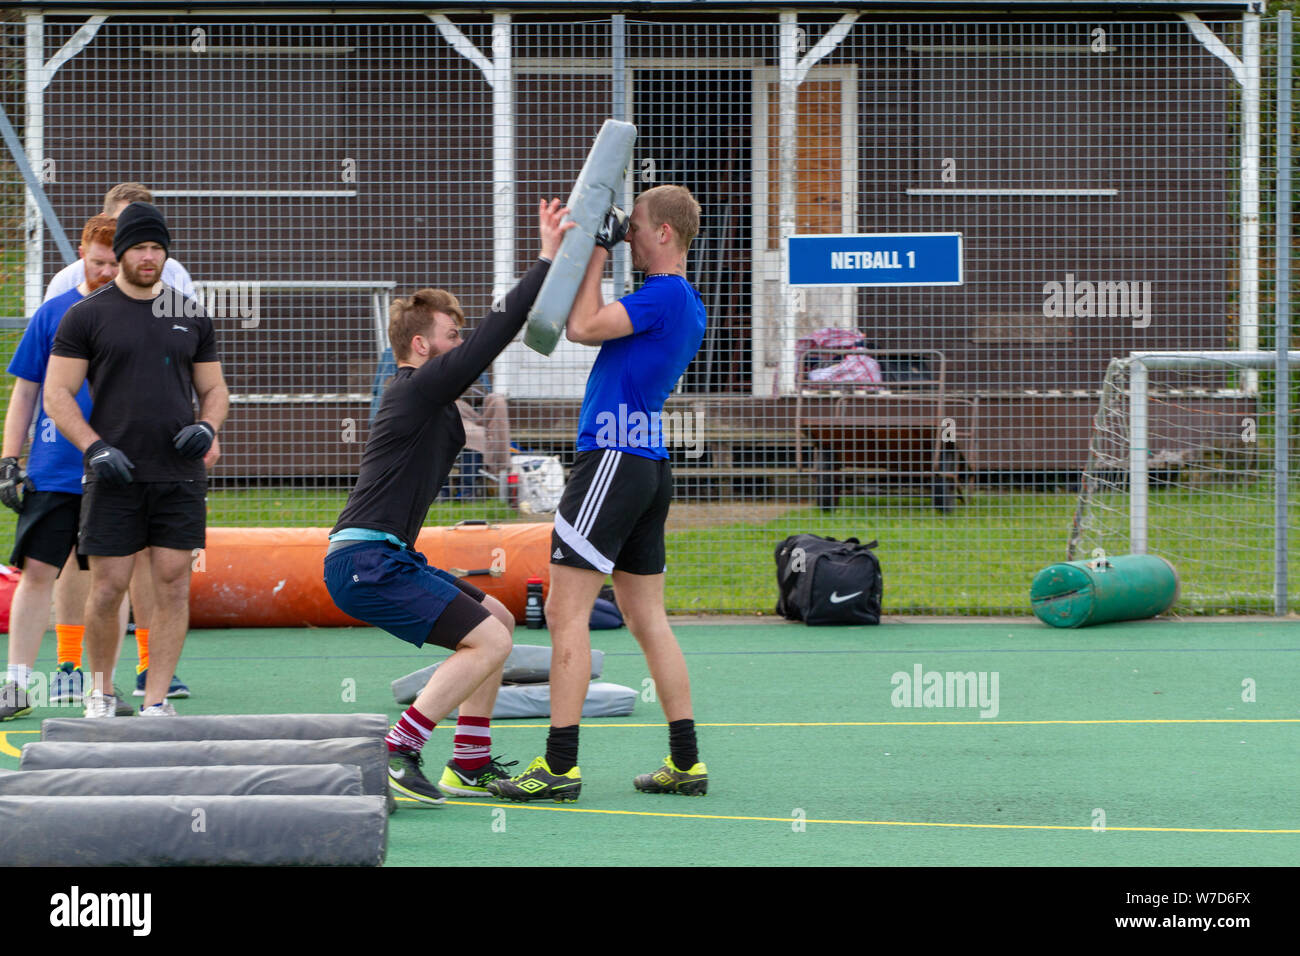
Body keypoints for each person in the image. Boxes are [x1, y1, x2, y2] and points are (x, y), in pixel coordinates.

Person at [324, 199, 573, 805]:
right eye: (450, 335)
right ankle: (399, 749)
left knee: (502, 622)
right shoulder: (412, 387)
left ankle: (469, 761)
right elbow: (492, 337)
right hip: (365, 563)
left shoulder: (431, 400)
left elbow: (482, 401)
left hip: (390, 558)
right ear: (420, 345)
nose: (459, 343)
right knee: (490, 642)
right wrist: (545, 259)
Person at [489, 185, 709, 802]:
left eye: (635, 225)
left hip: (612, 462)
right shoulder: (685, 302)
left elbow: (581, 326)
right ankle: (686, 762)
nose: (628, 233)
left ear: (664, 233)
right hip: (646, 466)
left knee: (565, 613)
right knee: (647, 619)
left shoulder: (662, 294)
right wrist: (593, 247)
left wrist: (590, 251)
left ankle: (559, 768)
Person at [44, 201, 228, 717]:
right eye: (139, 247)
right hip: (113, 472)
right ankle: (100, 696)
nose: (149, 257)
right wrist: (93, 447)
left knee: (172, 582)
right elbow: (57, 393)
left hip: (178, 474)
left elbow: (214, 389)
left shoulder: (189, 313)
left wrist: (206, 426)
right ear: (121, 252)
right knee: (107, 587)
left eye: (157, 248)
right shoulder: (87, 315)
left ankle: (155, 701)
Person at [0, 216, 132, 719]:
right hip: (55, 468)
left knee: (111, 578)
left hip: (115, 469)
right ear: (81, 253)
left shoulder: (140, 317)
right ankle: (15, 685)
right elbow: (26, 390)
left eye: (112, 264)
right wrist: (10, 459)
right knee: (37, 572)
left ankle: (103, 687)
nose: (103, 272)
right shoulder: (53, 313)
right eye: (95, 262)